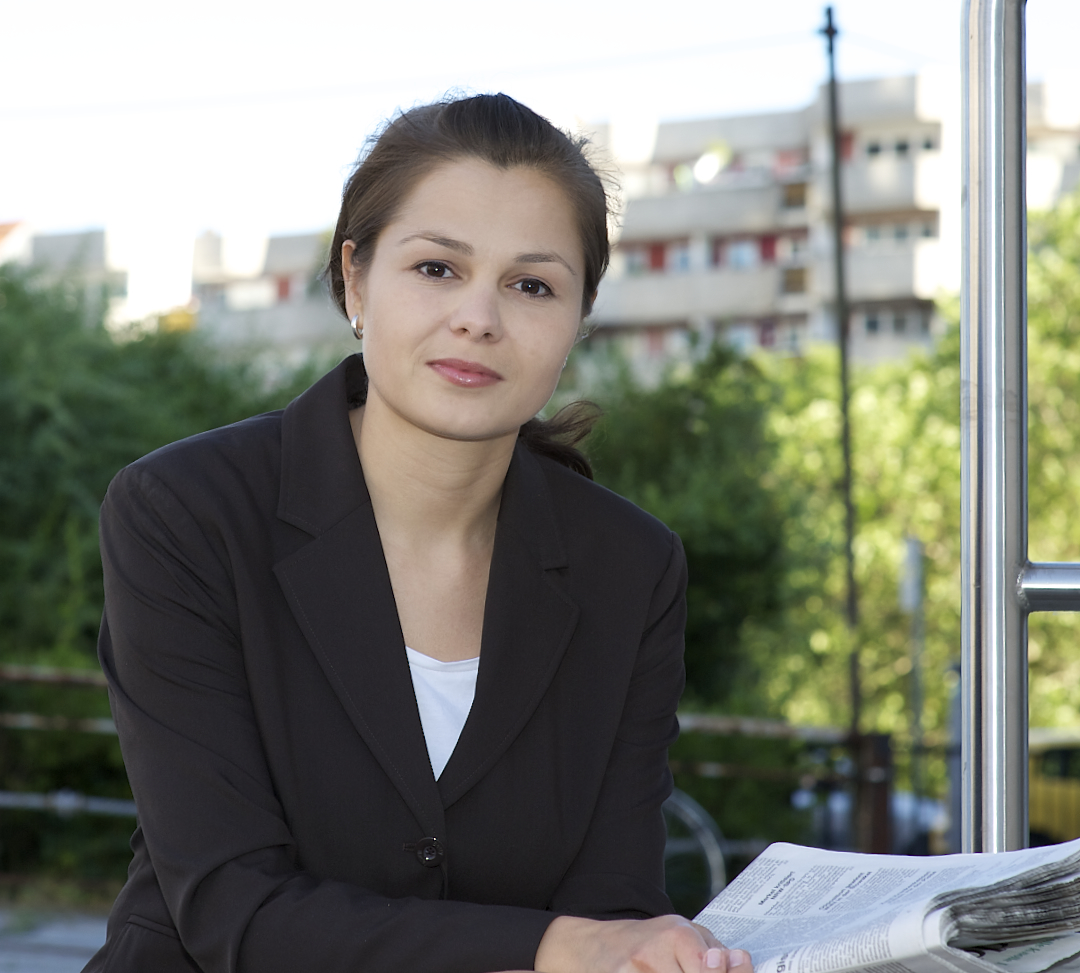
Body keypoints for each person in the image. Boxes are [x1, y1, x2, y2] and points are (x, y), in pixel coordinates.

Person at [83, 93, 753, 973]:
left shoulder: (629, 564)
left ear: (578, 319)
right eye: (438, 268)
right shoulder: (186, 510)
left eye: (531, 284)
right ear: (356, 279)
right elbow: (233, 907)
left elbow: (614, 900)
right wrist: (557, 945)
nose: (479, 317)